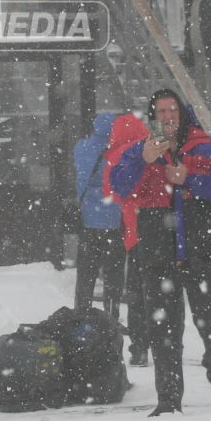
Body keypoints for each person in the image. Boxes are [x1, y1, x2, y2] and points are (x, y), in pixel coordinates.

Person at [109, 89, 211, 415]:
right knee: (163, 328)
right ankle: (168, 401)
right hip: (158, 249)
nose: (167, 117)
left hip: (203, 246)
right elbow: (118, 185)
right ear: (152, 117)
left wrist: (190, 179)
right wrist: (143, 160)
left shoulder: (205, 146)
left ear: (182, 114)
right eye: (161, 111)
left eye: (172, 110)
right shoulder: (140, 151)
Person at [99, 110, 155, 366]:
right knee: (162, 292)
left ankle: (140, 347)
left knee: (136, 293)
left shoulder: (115, 157)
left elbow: (110, 192)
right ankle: (166, 342)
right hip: (160, 231)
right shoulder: (153, 150)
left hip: (135, 234)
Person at [73, 112, 126, 318]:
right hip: (113, 222)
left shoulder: (81, 147)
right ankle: (111, 316)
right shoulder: (120, 152)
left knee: (86, 273)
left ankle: (80, 314)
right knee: (113, 275)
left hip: (88, 221)